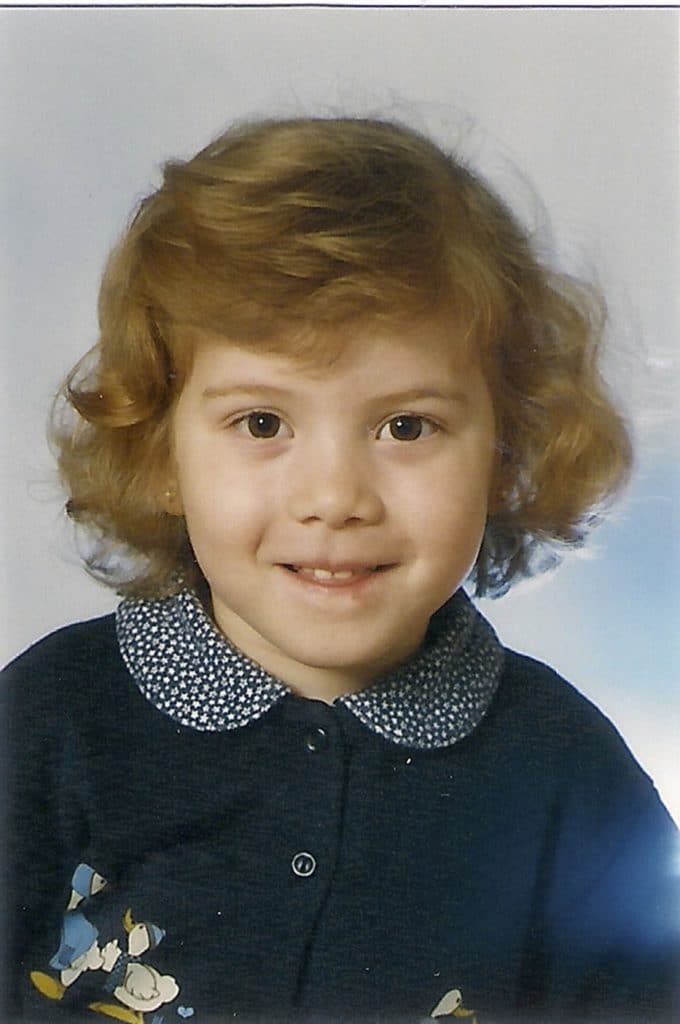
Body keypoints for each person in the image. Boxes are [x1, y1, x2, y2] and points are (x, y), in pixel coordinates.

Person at [1, 116, 678, 1024]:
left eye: (406, 427)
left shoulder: (568, 778)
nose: (334, 496)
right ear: (162, 452)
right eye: (263, 423)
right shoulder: (52, 721)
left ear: (506, 455)